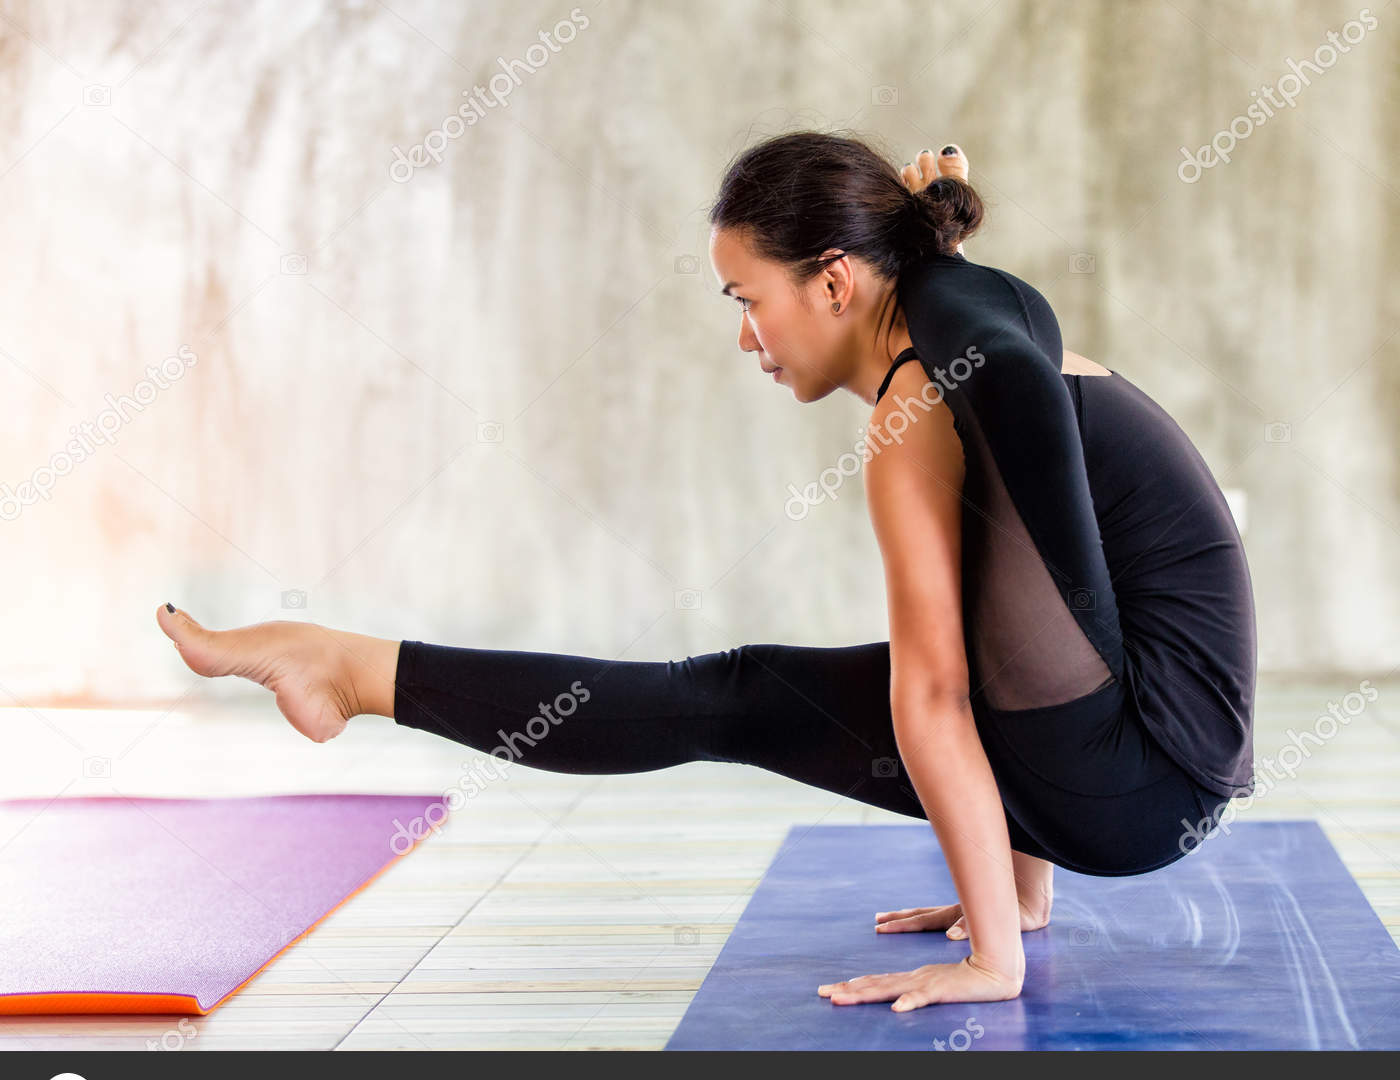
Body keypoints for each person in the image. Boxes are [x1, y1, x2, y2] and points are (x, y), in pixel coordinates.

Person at [155, 131, 1256, 1014]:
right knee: (734, 694)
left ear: (833, 284)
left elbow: (938, 690)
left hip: (1141, 775)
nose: (745, 338)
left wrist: (995, 961)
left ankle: (349, 671)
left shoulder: (923, 401)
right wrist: (1015, 888)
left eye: (745, 299)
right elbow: (1042, 591)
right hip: (1144, 776)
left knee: (756, 694)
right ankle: (349, 669)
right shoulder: (957, 321)